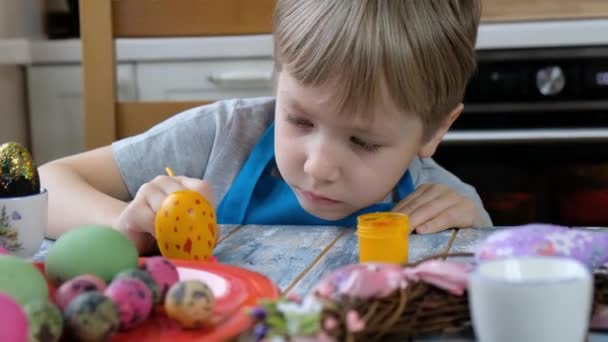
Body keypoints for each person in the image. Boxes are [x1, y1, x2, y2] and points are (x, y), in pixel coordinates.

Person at [40, 0, 492, 255]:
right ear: (278, 81)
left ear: (434, 132)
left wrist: (472, 234)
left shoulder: (446, 207)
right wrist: (121, 229)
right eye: (298, 119)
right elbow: (46, 184)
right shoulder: (221, 136)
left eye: (362, 142)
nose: (318, 166)